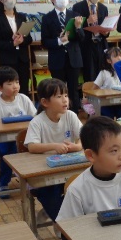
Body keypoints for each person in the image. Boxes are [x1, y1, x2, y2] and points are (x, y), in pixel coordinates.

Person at [23, 78, 82, 220]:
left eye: (66, 95)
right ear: (45, 102)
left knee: (80, 189)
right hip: (45, 174)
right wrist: (55, 146)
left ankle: (54, 215)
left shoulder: (70, 116)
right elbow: (32, 146)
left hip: (67, 169)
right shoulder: (37, 121)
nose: (65, 100)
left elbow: (84, 137)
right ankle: (60, 221)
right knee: (52, 196)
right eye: (59, 96)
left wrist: (78, 146)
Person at [0, 66, 36, 195]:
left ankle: (29, 177)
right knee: (9, 151)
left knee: (30, 147)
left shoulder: (24, 99)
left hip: (24, 136)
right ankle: (4, 182)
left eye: (17, 82)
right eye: (10, 83)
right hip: (2, 140)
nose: (15, 86)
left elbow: (35, 118)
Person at [41, 0, 84, 112]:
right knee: (58, 92)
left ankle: (74, 115)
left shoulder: (75, 15)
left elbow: (82, 38)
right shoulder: (47, 18)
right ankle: (59, 114)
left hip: (73, 59)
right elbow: (45, 42)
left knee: (74, 89)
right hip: (57, 60)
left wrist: (78, 28)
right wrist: (59, 41)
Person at [0, 0, 33, 95]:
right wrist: (12, 43)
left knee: (23, 87)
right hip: (8, 59)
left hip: (23, 58)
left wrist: (22, 40)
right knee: (10, 88)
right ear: (1, 0)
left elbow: (29, 39)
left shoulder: (21, 17)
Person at [72, 0, 109, 82]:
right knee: (90, 76)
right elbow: (75, 29)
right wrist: (87, 21)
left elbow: (106, 27)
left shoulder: (103, 8)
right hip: (87, 46)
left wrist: (106, 33)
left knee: (103, 75)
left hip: (101, 45)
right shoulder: (78, 7)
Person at [89, 46, 121, 118]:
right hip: (106, 103)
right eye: (116, 56)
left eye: (120, 55)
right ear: (109, 60)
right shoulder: (104, 73)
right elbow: (94, 89)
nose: (119, 58)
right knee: (107, 117)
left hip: (120, 102)